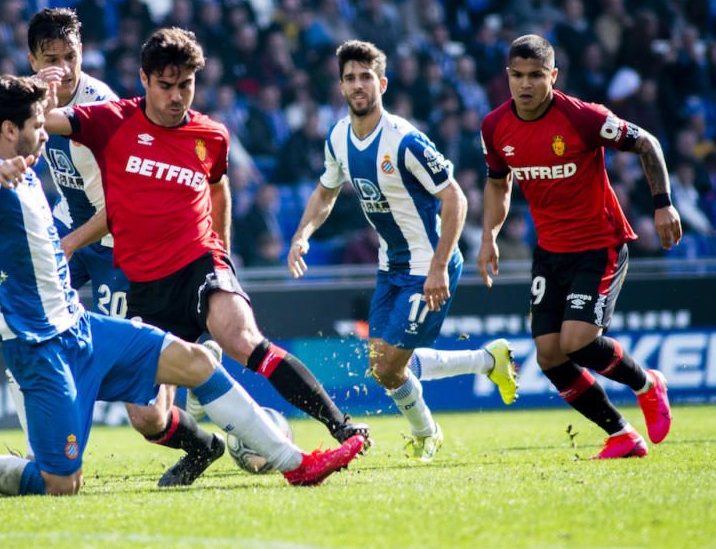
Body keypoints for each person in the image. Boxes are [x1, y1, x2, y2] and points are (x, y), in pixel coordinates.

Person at [0, 75, 365, 501]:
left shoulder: (23, 164)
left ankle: (295, 464)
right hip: (39, 348)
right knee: (59, 485)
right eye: (36, 126)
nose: (45, 133)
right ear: (8, 131)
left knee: (197, 362)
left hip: (82, 328)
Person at [37, 27, 370, 486]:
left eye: (186, 85)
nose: (177, 97)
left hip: (199, 265)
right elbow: (41, 123)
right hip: (146, 288)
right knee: (147, 417)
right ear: (144, 80)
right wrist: (43, 92)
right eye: (166, 86)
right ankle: (204, 447)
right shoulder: (110, 121)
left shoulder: (210, 135)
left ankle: (342, 426)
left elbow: (218, 187)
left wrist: (223, 255)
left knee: (243, 340)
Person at [0, 9, 219, 486]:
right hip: (70, 231)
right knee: (19, 320)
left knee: (146, 416)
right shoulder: (31, 109)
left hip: (115, 246)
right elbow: (10, 171)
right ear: (32, 59)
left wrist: (67, 244)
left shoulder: (101, 111)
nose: (64, 68)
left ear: (83, 54)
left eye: (71, 56)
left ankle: (204, 434)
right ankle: (42, 447)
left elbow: (120, 207)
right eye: (51, 58)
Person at [287, 40, 518, 462]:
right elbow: (325, 191)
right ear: (340, 87)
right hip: (390, 265)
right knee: (383, 365)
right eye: (350, 78)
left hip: (429, 264)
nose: (358, 85)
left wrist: (439, 267)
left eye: (366, 77)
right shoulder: (338, 137)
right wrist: (303, 233)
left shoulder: (405, 141)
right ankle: (488, 360)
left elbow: (455, 199)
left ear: (383, 83)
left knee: (392, 366)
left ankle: (426, 432)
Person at [479, 35, 679, 459]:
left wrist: (663, 205)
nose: (526, 85)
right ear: (508, 77)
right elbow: (499, 184)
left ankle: (648, 383)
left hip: (598, 244)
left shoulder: (583, 117)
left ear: (553, 76)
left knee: (578, 341)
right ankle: (621, 434)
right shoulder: (495, 127)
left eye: (536, 75)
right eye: (518, 75)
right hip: (550, 252)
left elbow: (647, 143)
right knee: (549, 355)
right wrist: (489, 236)